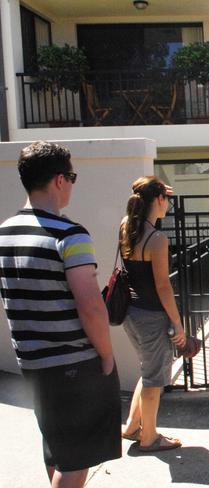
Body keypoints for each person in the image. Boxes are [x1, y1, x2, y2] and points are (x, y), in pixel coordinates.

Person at [0, 141, 121, 487]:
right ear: (58, 180)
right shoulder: (70, 234)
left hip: (33, 363)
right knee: (76, 461)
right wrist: (107, 356)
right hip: (73, 364)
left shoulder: (5, 233)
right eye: (72, 176)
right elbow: (91, 306)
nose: (72, 183)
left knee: (57, 449)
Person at [119, 176, 187, 452]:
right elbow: (163, 285)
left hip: (130, 313)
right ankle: (149, 437)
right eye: (166, 198)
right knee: (154, 379)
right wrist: (177, 323)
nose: (168, 204)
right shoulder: (157, 239)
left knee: (148, 372)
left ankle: (132, 427)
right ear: (159, 200)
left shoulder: (126, 227)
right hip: (151, 316)